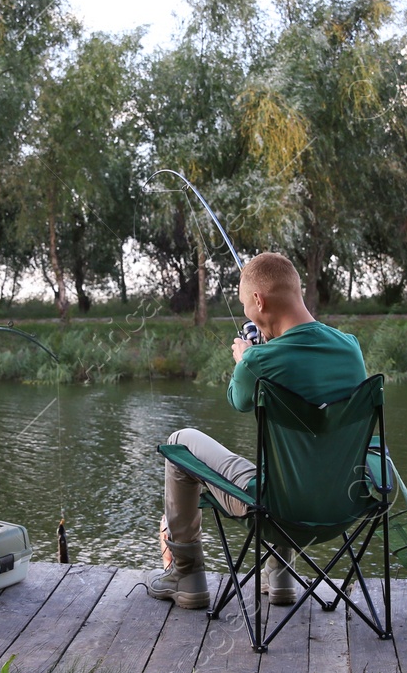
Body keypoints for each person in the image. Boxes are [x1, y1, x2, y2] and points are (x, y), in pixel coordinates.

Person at [147, 252, 367, 609]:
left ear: (258, 301)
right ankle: (280, 580)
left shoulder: (257, 360)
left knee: (179, 442)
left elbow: (238, 399)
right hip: (344, 503)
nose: (247, 314)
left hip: (275, 510)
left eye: (245, 306)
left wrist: (244, 360)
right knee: (288, 463)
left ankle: (187, 578)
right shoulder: (351, 348)